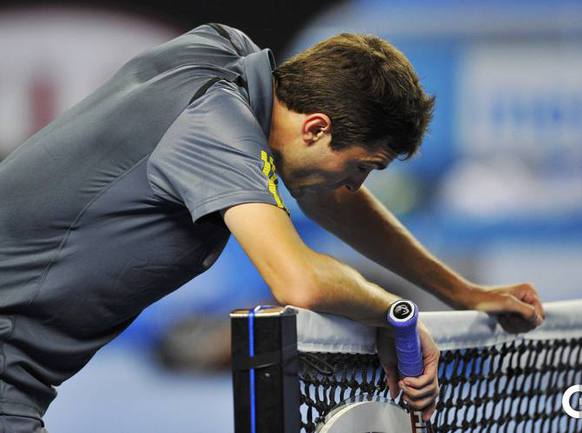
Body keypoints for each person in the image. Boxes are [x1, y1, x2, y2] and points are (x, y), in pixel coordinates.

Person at [0, 23, 544, 432]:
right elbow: (298, 281)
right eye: (362, 167)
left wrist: (460, 291)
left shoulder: (222, 52)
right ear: (316, 127)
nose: (355, 186)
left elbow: (329, 197)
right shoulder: (214, 127)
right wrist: (394, 313)